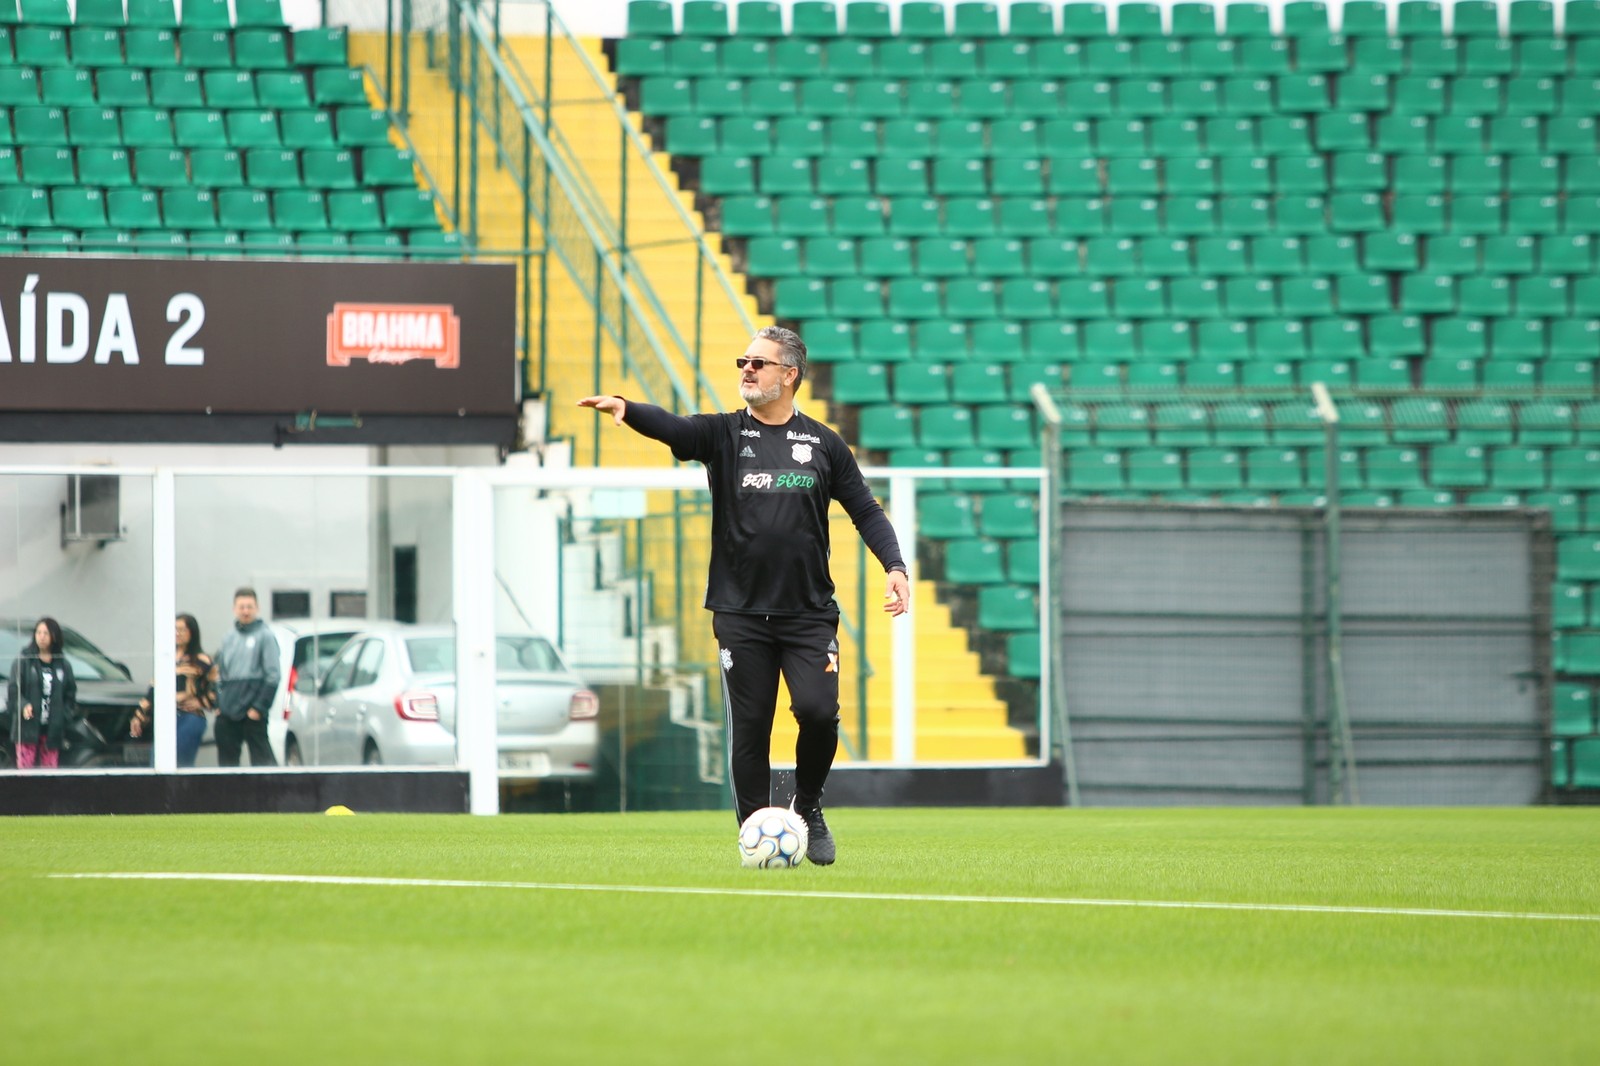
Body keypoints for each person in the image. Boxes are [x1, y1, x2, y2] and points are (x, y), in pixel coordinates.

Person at [579, 325, 911, 865]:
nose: (747, 370)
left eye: (759, 363)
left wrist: (894, 566)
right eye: (742, 362)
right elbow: (677, 428)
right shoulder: (725, 435)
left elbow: (866, 511)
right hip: (740, 612)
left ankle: (807, 807)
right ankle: (756, 833)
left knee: (818, 712)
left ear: (789, 375)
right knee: (751, 729)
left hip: (808, 614)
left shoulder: (824, 444)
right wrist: (628, 407)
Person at [131, 614, 217, 768]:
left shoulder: (202, 660)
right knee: (157, 764)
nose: (177, 633)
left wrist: (201, 701)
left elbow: (217, 689)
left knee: (180, 764)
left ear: (192, 632)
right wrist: (139, 717)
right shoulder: (166, 658)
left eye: (182, 630)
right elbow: (153, 690)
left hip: (190, 717)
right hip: (165, 718)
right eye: (174, 629)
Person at [215, 587, 280, 767]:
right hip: (228, 711)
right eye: (241, 607)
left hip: (253, 712)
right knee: (227, 766)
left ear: (257, 608)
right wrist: (219, 704)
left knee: (262, 763)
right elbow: (219, 675)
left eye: (249, 607)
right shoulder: (228, 638)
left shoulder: (265, 636)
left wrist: (259, 708)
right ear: (234, 609)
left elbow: (273, 676)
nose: (245, 611)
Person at [6, 617, 78, 769]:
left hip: (52, 730)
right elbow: (14, 690)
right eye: (39, 632)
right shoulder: (24, 660)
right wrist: (23, 706)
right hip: (27, 729)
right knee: (26, 775)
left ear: (54, 636)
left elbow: (70, 695)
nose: (42, 636)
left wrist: (63, 716)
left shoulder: (63, 664)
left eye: (46, 633)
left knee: (49, 776)